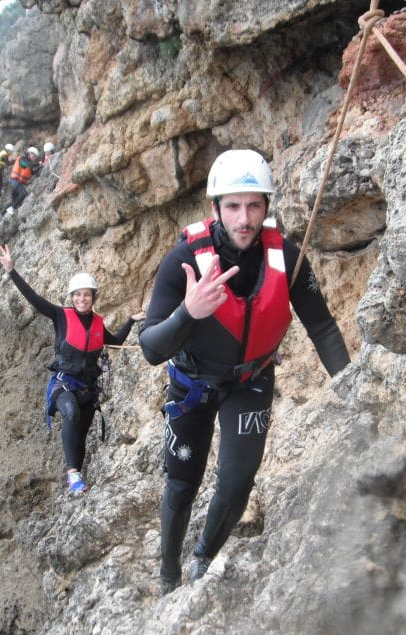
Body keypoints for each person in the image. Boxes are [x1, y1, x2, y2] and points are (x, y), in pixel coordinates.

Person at [139, 149, 351, 594]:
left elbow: (323, 327)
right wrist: (188, 313)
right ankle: (168, 572)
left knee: (236, 485)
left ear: (267, 207)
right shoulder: (183, 261)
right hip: (192, 385)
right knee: (181, 485)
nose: (244, 218)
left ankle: (201, 560)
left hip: (249, 381)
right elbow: (151, 349)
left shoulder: (287, 258)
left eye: (254, 205)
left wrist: (351, 385)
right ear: (215, 208)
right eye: (233, 206)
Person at [0, 244, 146, 495]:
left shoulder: (98, 324)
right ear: (71, 297)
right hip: (64, 384)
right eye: (77, 295)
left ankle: (78, 479)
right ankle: (72, 474)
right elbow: (33, 298)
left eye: (86, 295)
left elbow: (117, 342)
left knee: (81, 434)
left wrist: (131, 320)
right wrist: (12, 272)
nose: (81, 299)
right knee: (71, 414)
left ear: (93, 297)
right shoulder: (60, 316)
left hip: (88, 389)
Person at [0, 146, 42, 218]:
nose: (34, 158)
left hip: (16, 183)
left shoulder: (26, 163)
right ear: (30, 153)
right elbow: (30, 165)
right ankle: (12, 208)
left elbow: (32, 172)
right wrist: (39, 163)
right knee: (24, 193)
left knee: (15, 201)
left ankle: (0, 214)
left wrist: (40, 167)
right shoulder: (23, 159)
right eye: (34, 156)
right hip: (15, 182)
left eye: (35, 157)